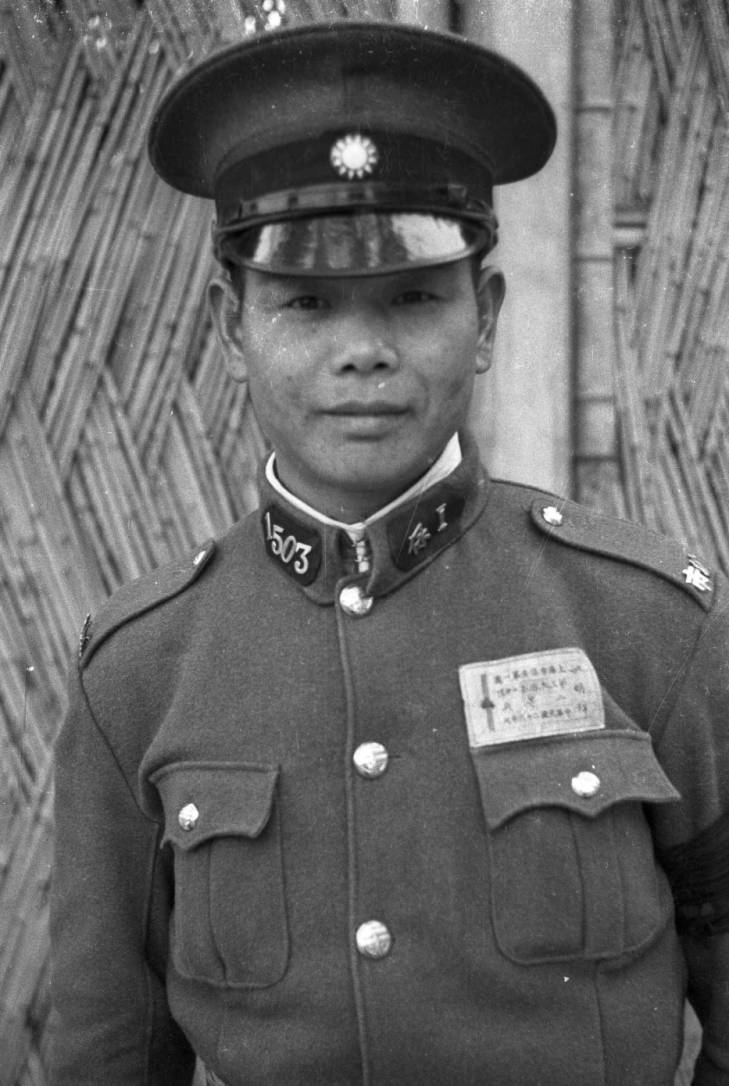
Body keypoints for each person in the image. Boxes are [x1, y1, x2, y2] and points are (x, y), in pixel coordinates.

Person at [49, 19, 729, 1086]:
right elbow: (104, 1049)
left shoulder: (647, 630)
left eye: (413, 297)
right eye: (306, 303)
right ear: (233, 328)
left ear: (486, 317)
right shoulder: (139, 674)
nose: (361, 351)